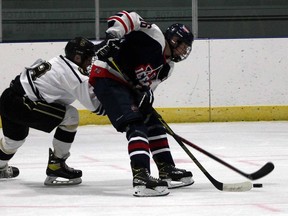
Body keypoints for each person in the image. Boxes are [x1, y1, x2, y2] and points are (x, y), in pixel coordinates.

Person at [90, 10, 194, 197]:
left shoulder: (167, 67)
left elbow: (148, 87)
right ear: (174, 40)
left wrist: (147, 97)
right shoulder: (154, 35)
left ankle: (166, 169)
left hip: (126, 85)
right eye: (183, 46)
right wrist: (113, 37)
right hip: (107, 76)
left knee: (152, 122)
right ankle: (141, 176)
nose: (184, 51)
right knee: (136, 124)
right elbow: (129, 17)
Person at [0, 37, 104, 185]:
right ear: (77, 57)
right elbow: (96, 107)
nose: (90, 62)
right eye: (88, 58)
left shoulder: (60, 61)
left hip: (9, 98)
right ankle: (57, 165)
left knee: (13, 141)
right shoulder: (73, 74)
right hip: (23, 104)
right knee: (71, 116)